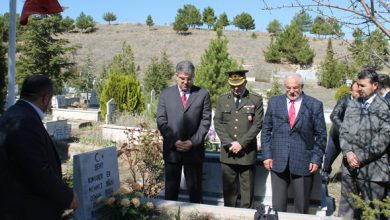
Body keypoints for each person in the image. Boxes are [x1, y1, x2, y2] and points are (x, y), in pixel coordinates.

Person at [0, 74, 79, 220]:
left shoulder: (13, 114)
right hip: (26, 209)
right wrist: (68, 197)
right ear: (46, 98)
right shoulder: (24, 122)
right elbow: (38, 170)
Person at [261, 73, 327, 214]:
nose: (292, 91)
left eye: (295, 88)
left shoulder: (314, 105)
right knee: (277, 207)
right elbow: (266, 130)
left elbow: (321, 135)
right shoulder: (274, 102)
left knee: (301, 207)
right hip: (278, 162)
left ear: (301, 87)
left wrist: (316, 158)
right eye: (288, 88)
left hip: (303, 161)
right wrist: (266, 155)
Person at [157, 60, 211, 203]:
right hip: (172, 151)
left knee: (195, 193)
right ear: (176, 76)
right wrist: (174, 140)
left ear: (193, 77)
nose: (186, 82)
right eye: (182, 78)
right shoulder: (165, 94)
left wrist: (192, 142)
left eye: (189, 79)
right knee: (171, 192)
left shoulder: (203, 94)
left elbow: (205, 122)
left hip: (193, 153)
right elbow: (161, 121)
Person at [339, 69, 390, 219]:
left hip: (373, 170)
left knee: (370, 212)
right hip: (350, 167)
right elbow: (344, 131)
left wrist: (359, 158)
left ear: (374, 85)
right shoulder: (353, 105)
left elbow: (383, 139)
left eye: (363, 85)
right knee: (346, 211)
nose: (359, 89)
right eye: (358, 85)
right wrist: (348, 153)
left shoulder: (384, 108)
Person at [214, 70, 263, 208]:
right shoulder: (223, 99)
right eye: (232, 85)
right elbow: (217, 122)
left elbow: (257, 124)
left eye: (239, 85)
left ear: (245, 82)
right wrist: (229, 143)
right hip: (228, 152)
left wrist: (241, 143)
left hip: (247, 153)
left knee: (247, 195)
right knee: (229, 194)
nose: (235, 88)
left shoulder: (255, 99)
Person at [322, 81, 360, 178]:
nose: (358, 94)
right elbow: (334, 115)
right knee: (328, 159)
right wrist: (344, 129)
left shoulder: (364, 103)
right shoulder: (344, 100)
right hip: (336, 136)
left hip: (352, 140)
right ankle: (324, 176)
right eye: (356, 91)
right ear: (351, 91)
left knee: (351, 161)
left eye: (360, 91)